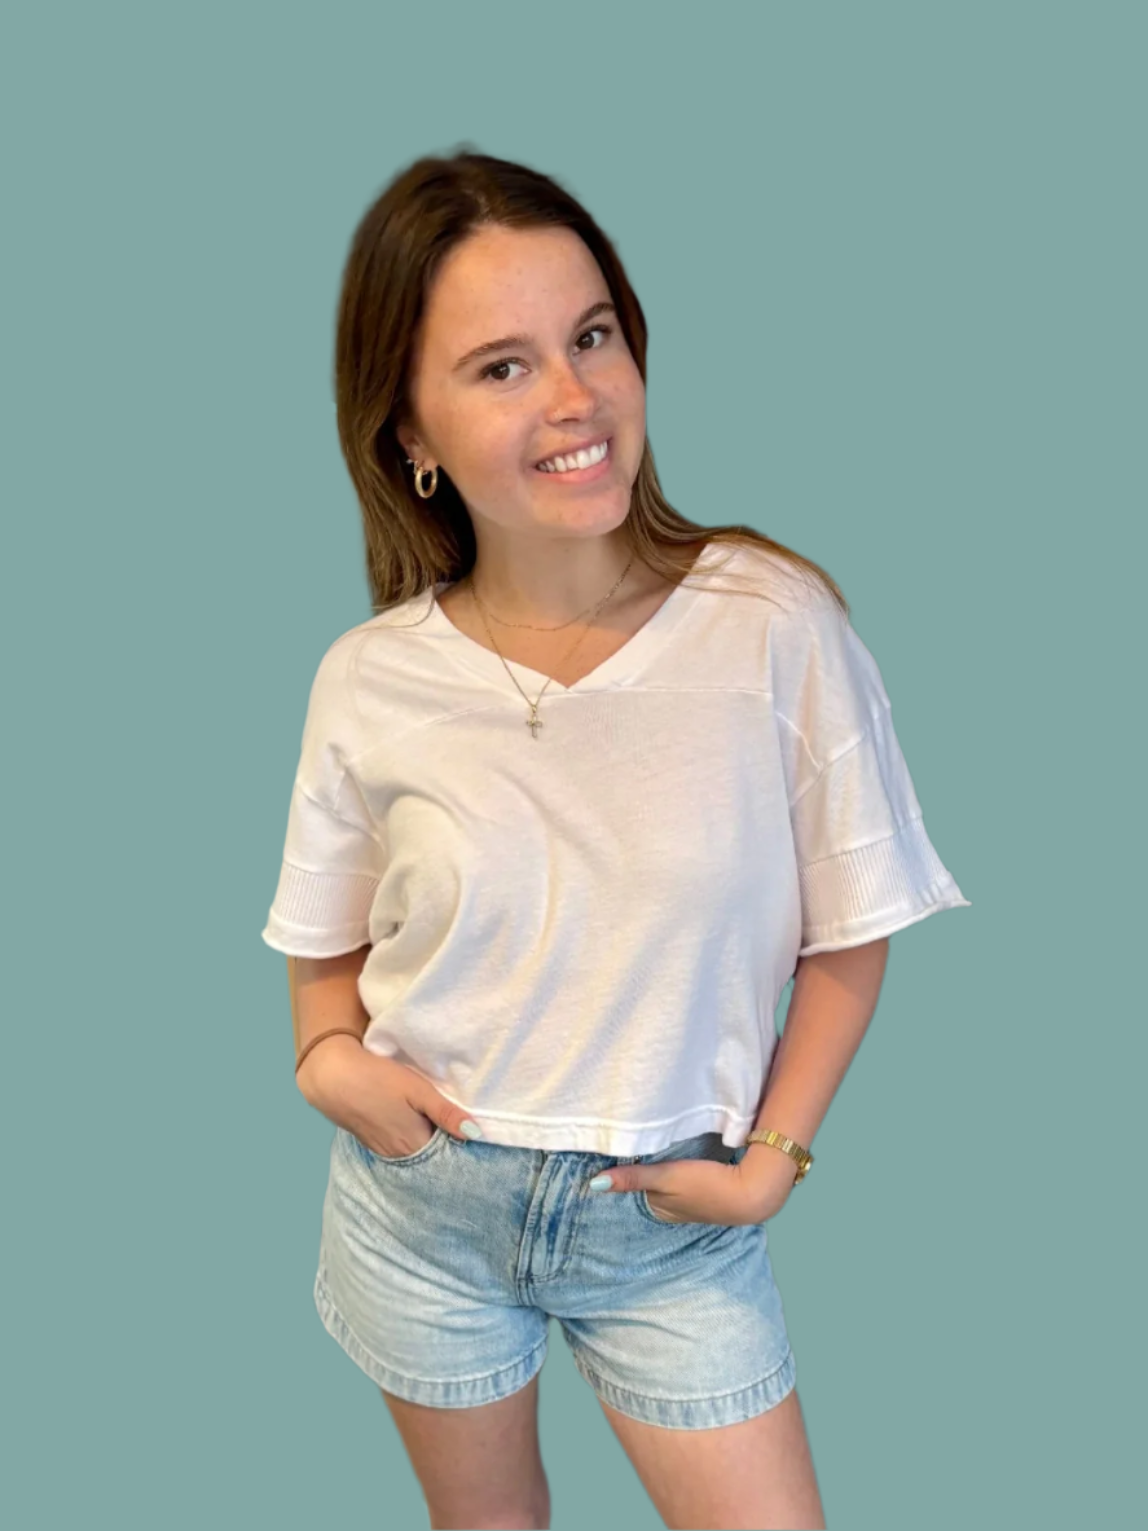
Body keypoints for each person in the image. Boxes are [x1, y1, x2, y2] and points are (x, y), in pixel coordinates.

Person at [260, 148, 971, 1531]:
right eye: (502, 366)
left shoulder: (773, 624)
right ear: (408, 432)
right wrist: (326, 1059)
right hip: (424, 1209)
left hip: (672, 1221)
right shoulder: (368, 677)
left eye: (592, 337)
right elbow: (326, 933)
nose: (575, 397)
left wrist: (775, 1160)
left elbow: (852, 927)